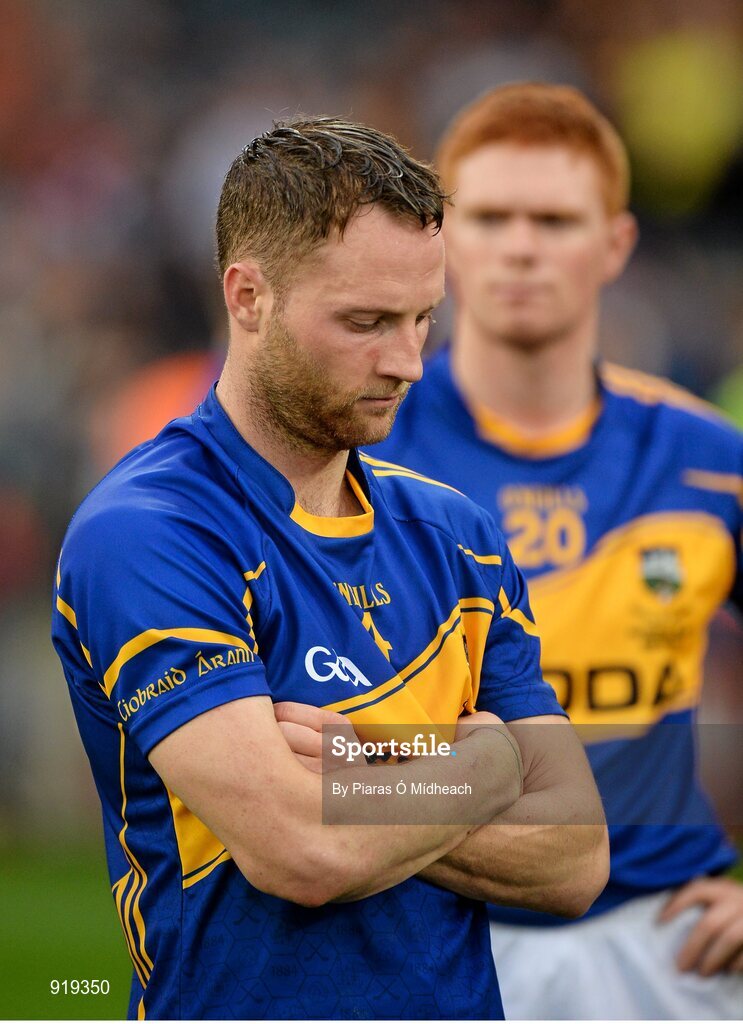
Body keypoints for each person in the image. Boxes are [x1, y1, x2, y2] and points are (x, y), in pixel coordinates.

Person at [52, 117, 608, 1021]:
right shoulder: (150, 532)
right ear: (247, 297)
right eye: (365, 322)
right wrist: (487, 769)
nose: (406, 362)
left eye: (423, 319)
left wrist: (365, 770)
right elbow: (300, 853)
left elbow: (576, 860)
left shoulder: (456, 536)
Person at [373, 83, 743, 1019]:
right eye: (490, 216)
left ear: (614, 243)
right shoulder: (360, 455)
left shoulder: (710, 460)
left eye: (554, 218)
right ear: (441, 238)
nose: (523, 246)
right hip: (423, 927)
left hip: (666, 949)